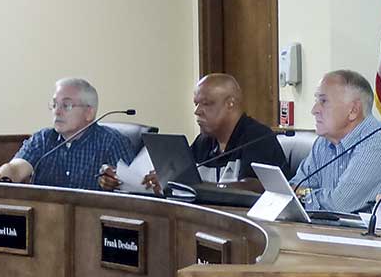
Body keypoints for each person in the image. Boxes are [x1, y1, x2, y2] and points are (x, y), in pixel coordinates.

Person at [100, 73, 289, 192]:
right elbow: (183, 177)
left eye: (206, 103)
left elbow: (257, 187)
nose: (197, 111)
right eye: (196, 104)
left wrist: (200, 187)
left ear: (230, 104)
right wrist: (132, 179)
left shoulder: (257, 138)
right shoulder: (204, 141)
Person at [291, 69, 381, 212]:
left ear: (353, 111)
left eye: (323, 101)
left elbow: (339, 205)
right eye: (316, 101)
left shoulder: (377, 143)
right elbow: (294, 187)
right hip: (336, 231)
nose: (314, 110)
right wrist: (302, 194)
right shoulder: (324, 142)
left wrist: (304, 195)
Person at [0, 78, 133, 190]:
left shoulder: (111, 141)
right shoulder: (43, 139)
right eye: (54, 105)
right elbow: (16, 169)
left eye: (66, 106)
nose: (57, 111)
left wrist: (116, 182)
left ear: (89, 112)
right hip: (45, 220)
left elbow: (132, 188)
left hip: (93, 222)